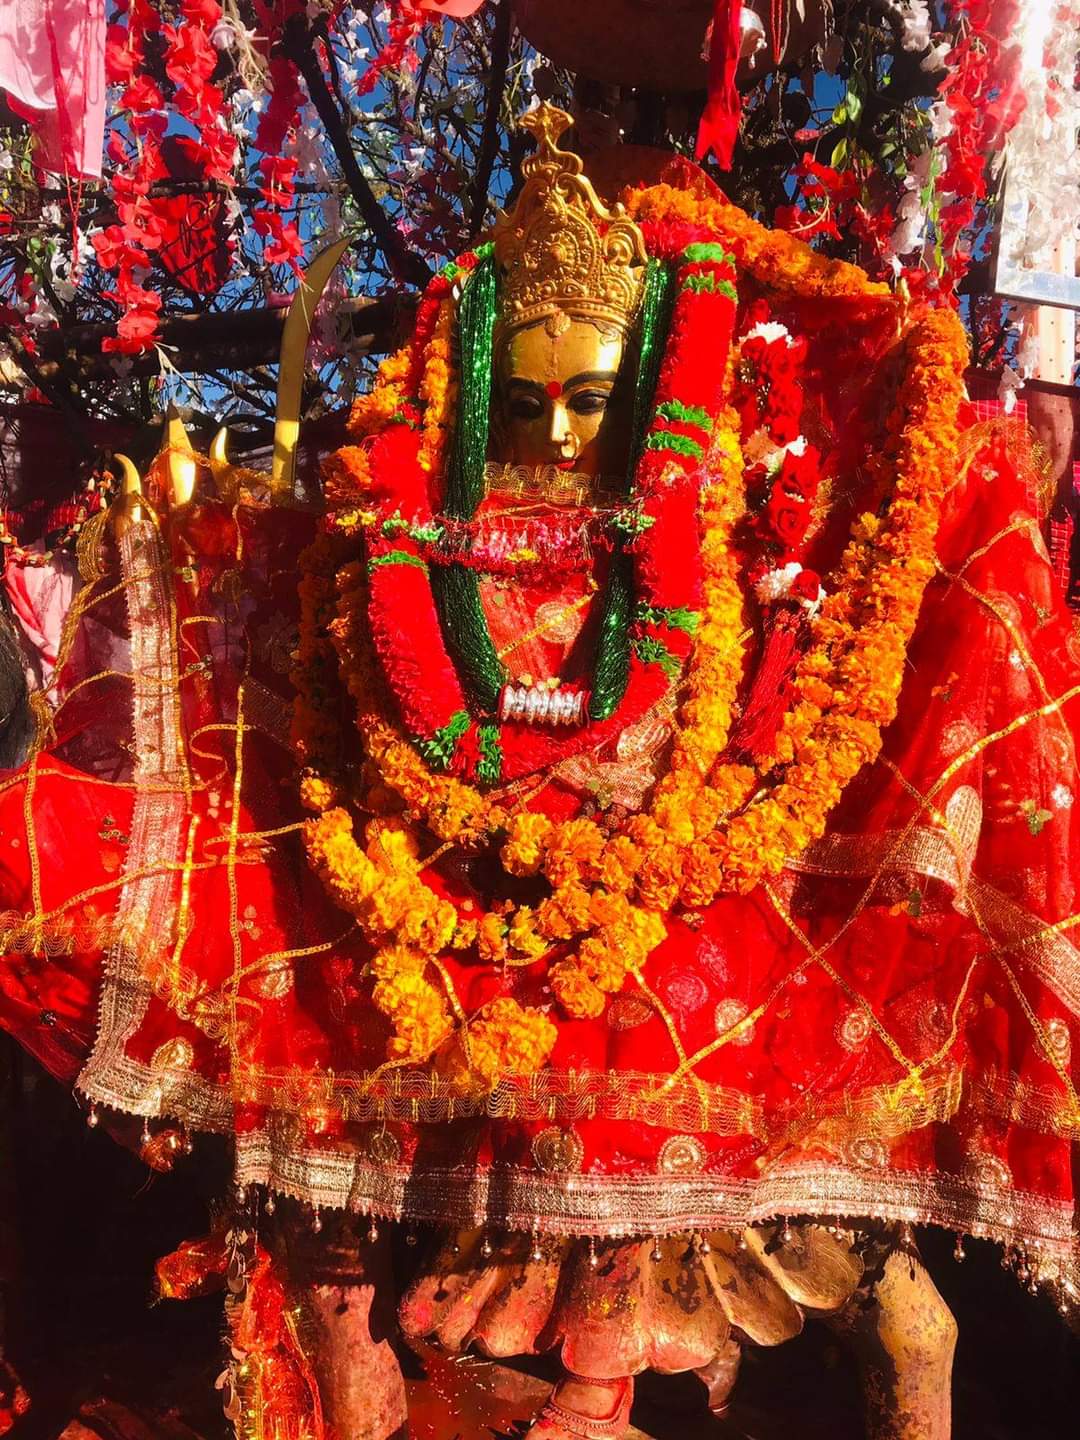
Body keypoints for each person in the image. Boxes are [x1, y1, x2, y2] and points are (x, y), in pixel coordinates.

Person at [0, 105, 1076, 1440]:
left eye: (590, 403)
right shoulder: (402, 537)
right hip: (421, 936)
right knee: (314, 1145)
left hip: (698, 937)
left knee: (876, 1292)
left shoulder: (725, 538)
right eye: (526, 405)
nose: (560, 442)